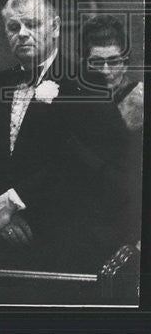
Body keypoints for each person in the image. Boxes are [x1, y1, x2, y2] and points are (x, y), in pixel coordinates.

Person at [0, 0, 132, 272]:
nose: (23, 33)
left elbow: (90, 167)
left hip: (65, 237)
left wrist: (14, 202)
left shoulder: (86, 82)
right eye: (14, 27)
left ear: (54, 27)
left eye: (33, 24)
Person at [81, 15, 142, 243]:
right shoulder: (78, 101)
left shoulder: (141, 99)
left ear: (125, 62)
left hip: (130, 217)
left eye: (114, 61)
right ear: (85, 63)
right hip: (86, 218)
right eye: (97, 62)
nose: (106, 70)